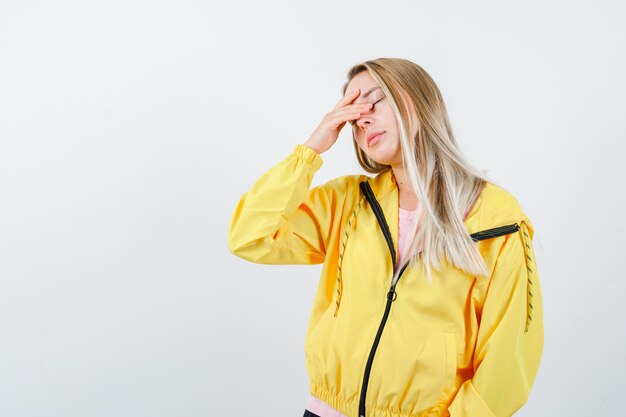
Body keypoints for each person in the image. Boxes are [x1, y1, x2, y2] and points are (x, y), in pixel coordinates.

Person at [227, 57, 544, 417]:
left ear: (414, 99)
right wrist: (310, 151)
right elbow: (249, 236)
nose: (361, 119)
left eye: (372, 102)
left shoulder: (496, 218)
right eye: (351, 114)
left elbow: (509, 355)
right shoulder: (347, 202)